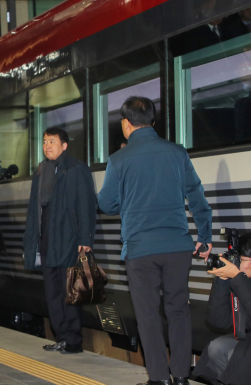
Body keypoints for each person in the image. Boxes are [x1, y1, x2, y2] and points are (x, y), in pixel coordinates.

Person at [98, 96, 212, 385]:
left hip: (140, 249)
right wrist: (205, 236)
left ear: (126, 124)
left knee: (147, 314)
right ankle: (182, 376)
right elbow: (197, 196)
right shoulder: (176, 152)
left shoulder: (118, 159)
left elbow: (108, 205)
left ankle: (159, 379)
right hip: (177, 246)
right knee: (178, 310)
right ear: (152, 121)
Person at [22, 127, 96, 355]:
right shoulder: (42, 171)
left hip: (69, 240)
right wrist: (31, 242)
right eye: (44, 142)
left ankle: (74, 340)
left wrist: (85, 237)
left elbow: (87, 205)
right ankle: (62, 336)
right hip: (47, 240)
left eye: (52, 141)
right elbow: (35, 211)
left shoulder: (75, 169)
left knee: (70, 290)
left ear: (64, 145)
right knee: (53, 292)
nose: (47, 146)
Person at [193, 233, 251, 385]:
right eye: (244, 260)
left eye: (247, 261)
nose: (246, 265)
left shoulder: (241, 281)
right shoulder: (242, 280)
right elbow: (218, 321)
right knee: (217, 348)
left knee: (237, 355)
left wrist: (238, 279)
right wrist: (223, 281)